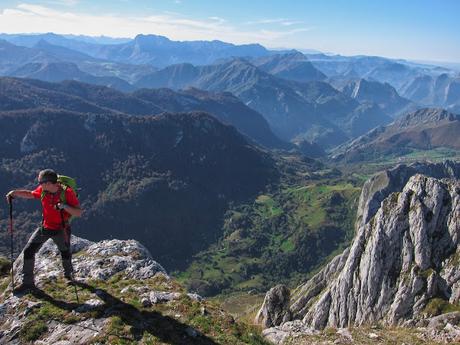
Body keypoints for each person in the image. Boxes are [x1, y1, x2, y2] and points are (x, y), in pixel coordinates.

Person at [5, 169, 83, 293]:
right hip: (45, 227)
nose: (39, 184)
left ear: (49, 183)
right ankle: (28, 283)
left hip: (61, 228)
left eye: (41, 182)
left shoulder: (67, 193)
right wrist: (15, 193)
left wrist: (64, 206)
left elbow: (78, 212)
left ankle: (69, 276)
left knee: (65, 252)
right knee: (29, 251)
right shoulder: (43, 190)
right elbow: (31, 194)